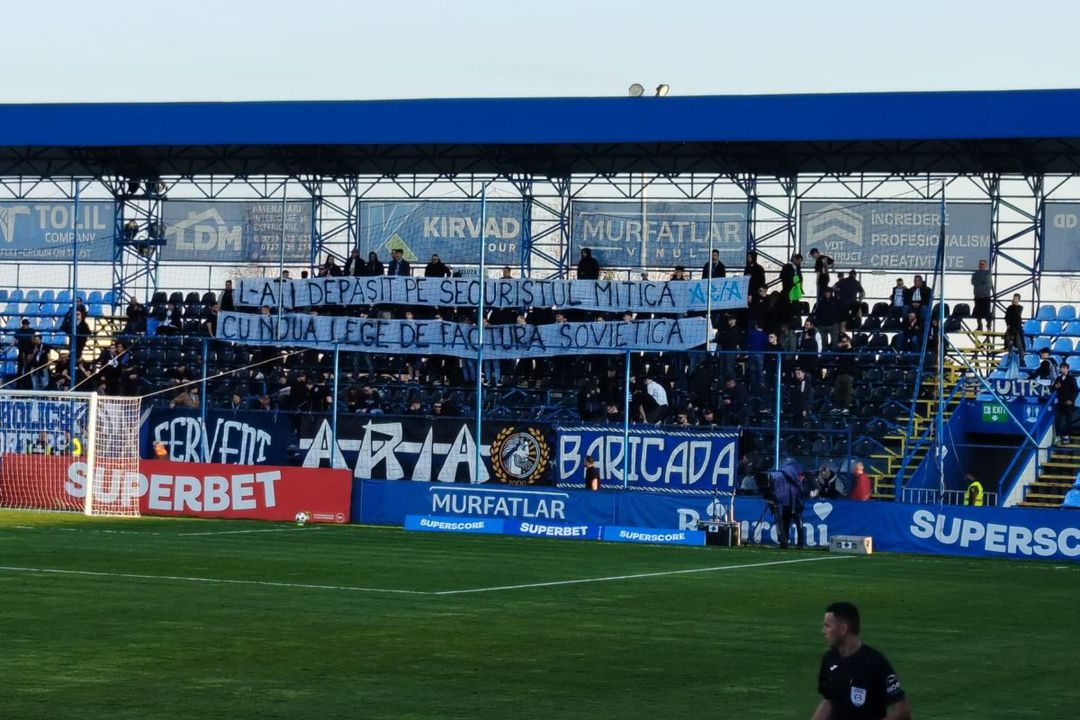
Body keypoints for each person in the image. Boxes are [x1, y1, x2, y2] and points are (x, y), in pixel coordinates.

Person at [813, 601, 911, 720]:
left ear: (843, 629)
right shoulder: (829, 658)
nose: (823, 631)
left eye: (828, 626)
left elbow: (902, 712)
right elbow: (828, 701)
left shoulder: (876, 663)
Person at [769, 459, 807, 549]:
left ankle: (799, 544)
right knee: (786, 524)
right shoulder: (786, 480)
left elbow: (803, 491)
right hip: (788, 505)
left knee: (798, 524)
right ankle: (784, 542)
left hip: (796, 505)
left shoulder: (800, 479)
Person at [1051, 362, 1078, 444]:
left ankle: (1067, 436)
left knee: (1068, 420)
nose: (1061, 369)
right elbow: (1052, 389)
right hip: (1060, 402)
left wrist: (1071, 400)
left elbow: (1076, 390)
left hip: (1069, 403)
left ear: (1067, 369)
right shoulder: (1058, 378)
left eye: (1063, 368)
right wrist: (1055, 386)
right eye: (1061, 367)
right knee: (1057, 419)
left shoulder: (1071, 378)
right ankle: (1058, 435)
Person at [971, 259, 994, 331]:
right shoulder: (975, 274)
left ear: (986, 265)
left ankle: (989, 325)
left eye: (983, 264)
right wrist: (981, 282)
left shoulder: (988, 274)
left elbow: (988, 284)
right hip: (977, 296)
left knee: (987, 312)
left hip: (985, 296)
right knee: (978, 312)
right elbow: (973, 282)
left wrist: (980, 282)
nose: (981, 265)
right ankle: (979, 325)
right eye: (980, 264)